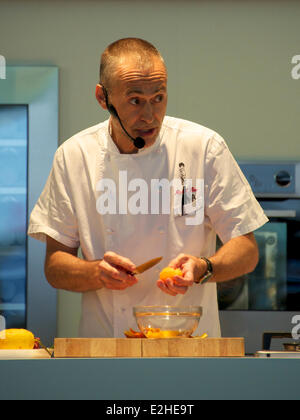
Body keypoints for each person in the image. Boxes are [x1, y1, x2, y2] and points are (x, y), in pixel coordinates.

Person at [28, 38, 268, 338]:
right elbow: (54, 265)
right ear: (103, 98)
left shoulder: (203, 148)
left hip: (190, 347)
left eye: (158, 97)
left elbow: (247, 249)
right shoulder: (75, 155)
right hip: (106, 348)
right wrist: (96, 272)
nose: (150, 116)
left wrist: (204, 267)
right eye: (135, 100)